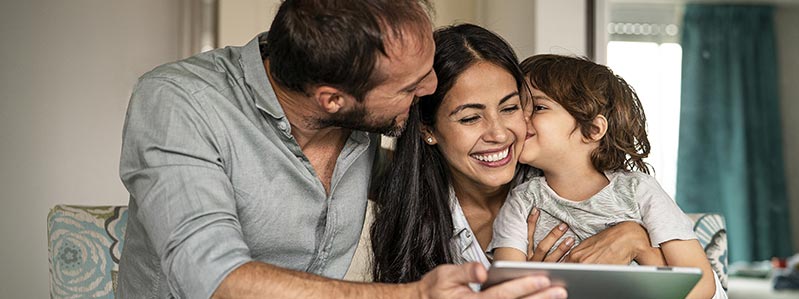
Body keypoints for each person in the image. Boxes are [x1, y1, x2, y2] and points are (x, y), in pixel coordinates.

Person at [117, 1, 556, 298]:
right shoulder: (179, 101)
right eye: (410, 86)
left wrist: (610, 225)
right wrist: (415, 295)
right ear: (333, 99)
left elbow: (433, 180)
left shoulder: (361, 120)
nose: (430, 90)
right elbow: (214, 277)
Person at [371, 24, 660, 296]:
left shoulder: (575, 186)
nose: (498, 134)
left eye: (510, 108)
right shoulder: (406, 217)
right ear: (428, 129)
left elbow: (682, 279)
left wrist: (632, 236)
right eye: (471, 118)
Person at [489, 54, 725, 298]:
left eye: (538, 107)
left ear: (593, 129)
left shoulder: (639, 190)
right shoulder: (521, 202)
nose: (519, 119)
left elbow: (700, 286)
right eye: (518, 107)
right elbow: (505, 292)